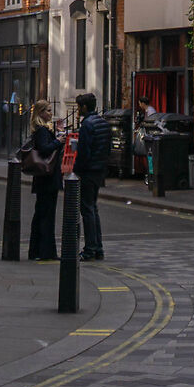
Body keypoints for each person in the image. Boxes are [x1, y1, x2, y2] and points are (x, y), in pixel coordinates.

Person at [73, 91, 111, 261]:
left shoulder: (87, 125)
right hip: (99, 170)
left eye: (79, 106)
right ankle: (98, 249)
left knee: (87, 210)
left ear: (85, 107)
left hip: (88, 171)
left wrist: (76, 171)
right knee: (93, 209)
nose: (77, 110)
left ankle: (89, 250)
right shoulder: (103, 123)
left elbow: (83, 152)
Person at [26, 100, 64, 258]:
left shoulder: (41, 129)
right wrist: (58, 141)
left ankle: (37, 250)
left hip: (43, 178)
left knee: (42, 214)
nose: (50, 113)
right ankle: (45, 251)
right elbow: (44, 149)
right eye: (48, 110)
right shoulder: (42, 130)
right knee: (46, 215)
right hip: (47, 178)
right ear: (40, 113)